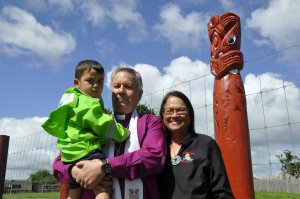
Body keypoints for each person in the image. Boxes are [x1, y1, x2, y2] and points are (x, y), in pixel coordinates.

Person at [52, 67, 167, 199]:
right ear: (111, 91)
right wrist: (73, 171)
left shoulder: (150, 122)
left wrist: (105, 167)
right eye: (116, 86)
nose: (121, 91)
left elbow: (153, 157)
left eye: (128, 86)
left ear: (140, 94)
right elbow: (59, 164)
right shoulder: (94, 122)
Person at [42, 60, 129, 199]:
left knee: (74, 193)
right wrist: (123, 133)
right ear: (77, 83)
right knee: (103, 189)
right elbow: (103, 124)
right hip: (87, 150)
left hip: (69, 153)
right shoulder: (88, 103)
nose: (96, 85)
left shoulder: (71, 99)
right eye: (90, 81)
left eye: (100, 81)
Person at [157, 90, 234, 199]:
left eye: (181, 110)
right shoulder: (157, 146)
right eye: (169, 111)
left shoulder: (206, 144)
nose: (174, 115)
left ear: (190, 114)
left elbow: (222, 193)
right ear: (162, 115)